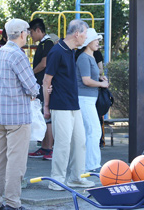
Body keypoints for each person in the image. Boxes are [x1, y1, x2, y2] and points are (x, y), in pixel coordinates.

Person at [0, 19, 40, 210]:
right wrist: (37, 91)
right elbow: (32, 87)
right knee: (16, 163)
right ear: (23, 34)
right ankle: (12, 203)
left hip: (0, 114)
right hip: (18, 117)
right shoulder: (18, 56)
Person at [43, 19, 94, 191]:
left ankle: (76, 178)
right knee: (63, 144)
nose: (86, 37)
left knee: (80, 141)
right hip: (60, 105)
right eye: (85, 33)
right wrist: (46, 107)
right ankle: (56, 180)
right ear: (77, 33)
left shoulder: (71, 51)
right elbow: (46, 80)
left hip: (73, 104)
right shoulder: (56, 51)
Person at [75, 28, 109, 172]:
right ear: (88, 41)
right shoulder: (84, 57)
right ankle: (91, 165)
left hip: (89, 99)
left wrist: (100, 78)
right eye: (95, 40)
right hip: (85, 99)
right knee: (94, 131)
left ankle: (90, 164)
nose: (98, 42)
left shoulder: (91, 57)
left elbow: (90, 78)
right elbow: (86, 80)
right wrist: (101, 83)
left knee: (92, 131)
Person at [28, 18, 55, 160]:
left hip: (45, 84)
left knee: (47, 116)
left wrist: (30, 74)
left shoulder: (48, 43)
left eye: (31, 32)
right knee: (42, 116)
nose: (30, 36)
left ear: (38, 30)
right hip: (40, 84)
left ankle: (49, 148)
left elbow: (44, 63)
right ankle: (44, 147)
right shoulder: (43, 44)